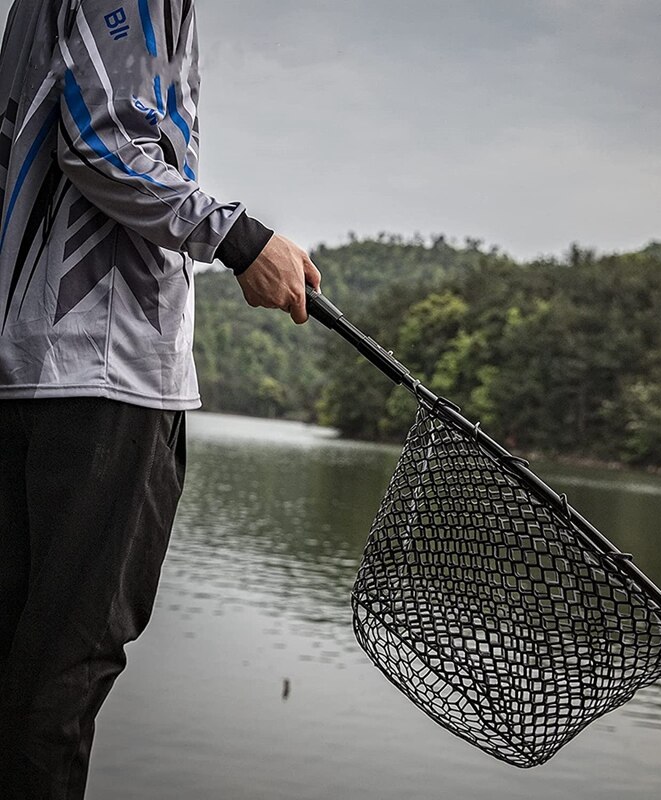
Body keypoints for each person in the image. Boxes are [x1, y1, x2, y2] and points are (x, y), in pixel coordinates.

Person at [0, 1, 320, 797]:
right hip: (99, 378)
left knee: (22, 675)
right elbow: (104, 140)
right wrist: (241, 240)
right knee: (59, 685)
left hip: (39, 374)